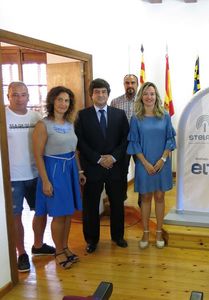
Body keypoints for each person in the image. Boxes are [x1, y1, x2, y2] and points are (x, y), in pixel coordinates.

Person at [33, 86, 85, 269]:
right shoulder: (43, 125)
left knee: (68, 213)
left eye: (67, 100)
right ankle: (58, 252)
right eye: (60, 99)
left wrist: (79, 172)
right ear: (52, 101)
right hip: (54, 172)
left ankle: (65, 247)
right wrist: (46, 181)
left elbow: (74, 150)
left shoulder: (70, 123)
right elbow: (38, 155)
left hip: (69, 169)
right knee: (58, 215)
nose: (63, 103)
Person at [6, 81, 55, 272]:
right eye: (15, 95)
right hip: (13, 177)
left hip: (36, 174)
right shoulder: (3, 117)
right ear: (8, 96)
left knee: (40, 212)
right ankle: (21, 253)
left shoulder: (36, 117)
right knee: (16, 216)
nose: (19, 98)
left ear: (28, 96)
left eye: (23, 94)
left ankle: (38, 245)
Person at [75, 78, 129, 253]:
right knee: (90, 206)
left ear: (108, 94)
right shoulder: (82, 116)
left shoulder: (119, 115)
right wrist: (98, 159)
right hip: (92, 167)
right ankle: (91, 240)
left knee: (117, 204)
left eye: (103, 92)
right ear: (91, 95)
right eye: (97, 92)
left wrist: (113, 157)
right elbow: (80, 142)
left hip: (115, 167)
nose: (100, 95)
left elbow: (125, 140)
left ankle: (118, 236)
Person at [127, 82, 176, 249]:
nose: (149, 97)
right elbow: (134, 143)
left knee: (160, 197)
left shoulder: (165, 116)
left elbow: (170, 140)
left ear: (157, 96)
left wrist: (162, 160)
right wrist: (146, 163)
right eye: (146, 94)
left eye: (152, 94)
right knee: (146, 197)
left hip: (162, 163)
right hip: (144, 164)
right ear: (141, 97)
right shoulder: (136, 118)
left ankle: (160, 231)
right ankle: (146, 232)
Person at [110, 74, 139, 204]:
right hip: (122, 143)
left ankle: (142, 201)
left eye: (133, 83)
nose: (130, 85)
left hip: (140, 142)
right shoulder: (115, 102)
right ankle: (121, 200)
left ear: (137, 84)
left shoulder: (144, 101)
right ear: (124, 85)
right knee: (121, 171)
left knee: (142, 170)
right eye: (127, 83)